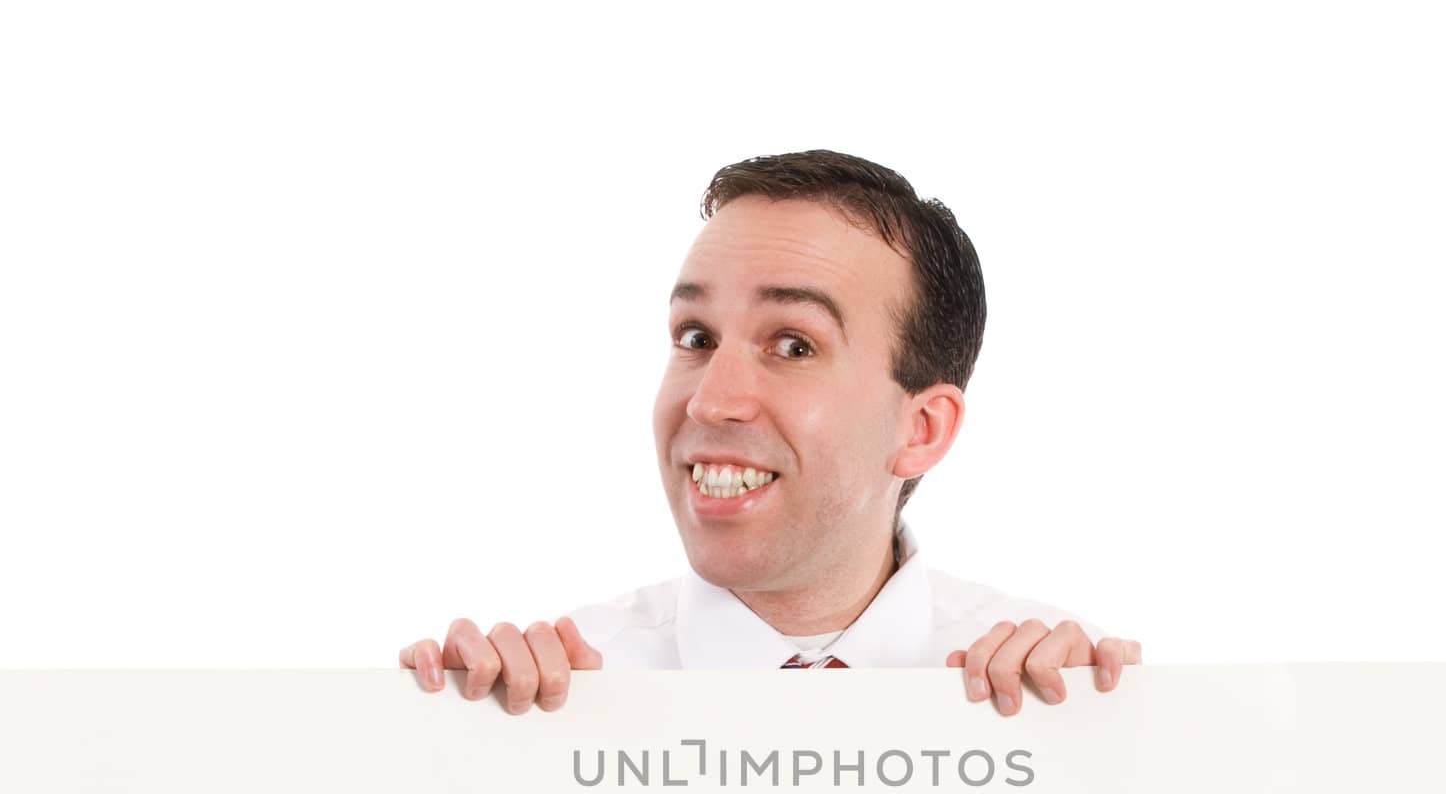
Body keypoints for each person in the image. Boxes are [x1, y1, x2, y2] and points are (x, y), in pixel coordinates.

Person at [400, 149, 1141, 717]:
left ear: (921, 428)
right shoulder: (555, 698)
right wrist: (452, 758)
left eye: (793, 344)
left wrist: (1104, 759)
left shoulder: (1057, 695)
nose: (711, 402)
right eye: (695, 336)